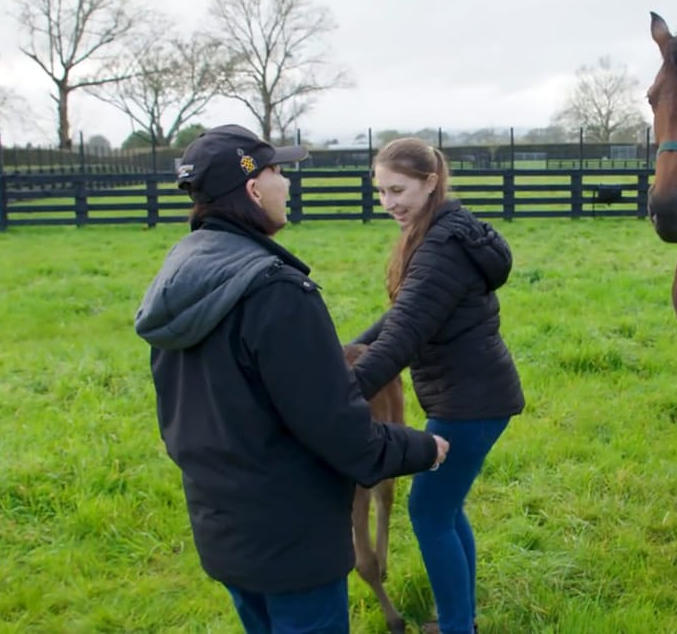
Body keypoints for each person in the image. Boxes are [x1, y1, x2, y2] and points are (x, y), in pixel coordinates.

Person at [134, 124, 449, 634]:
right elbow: (338, 428)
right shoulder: (276, 292)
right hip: (294, 540)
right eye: (278, 171)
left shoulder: (178, 278)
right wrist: (420, 449)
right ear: (254, 190)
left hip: (224, 527)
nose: (287, 184)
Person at [348, 138, 525, 634]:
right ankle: (460, 619)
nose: (389, 203)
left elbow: (404, 334)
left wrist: (342, 392)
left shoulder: (441, 246)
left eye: (398, 189)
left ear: (431, 183)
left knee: (428, 511)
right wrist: (348, 353)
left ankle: (455, 628)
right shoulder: (438, 232)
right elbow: (401, 317)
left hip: (470, 402)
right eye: (381, 191)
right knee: (445, 507)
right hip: (472, 395)